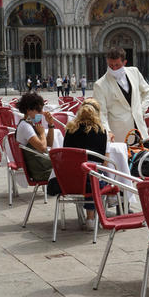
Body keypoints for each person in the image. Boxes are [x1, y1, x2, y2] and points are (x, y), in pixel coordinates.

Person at [49, 98, 108, 230]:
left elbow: (65, 154)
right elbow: (102, 160)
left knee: (88, 178)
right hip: (90, 179)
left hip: (69, 180)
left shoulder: (70, 129)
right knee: (97, 179)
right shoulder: (101, 131)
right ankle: (92, 217)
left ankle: (87, 216)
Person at [93, 46, 149, 142]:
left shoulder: (134, 72)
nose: (114, 68)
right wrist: (107, 131)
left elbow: (147, 92)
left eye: (117, 65)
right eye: (111, 65)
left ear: (124, 62)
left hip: (140, 129)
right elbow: (101, 113)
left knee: (148, 155)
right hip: (119, 134)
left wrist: (141, 110)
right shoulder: (100, 85)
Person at [15, 91, 56, 186]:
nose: (41, 112)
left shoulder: (30, 123)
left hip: (41, 166)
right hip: (40, 171)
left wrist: (50, 125)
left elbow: (49, 144)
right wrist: (41, 133)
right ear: (29, 110)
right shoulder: (25, 126)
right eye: (39, 109)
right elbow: (42, 148)